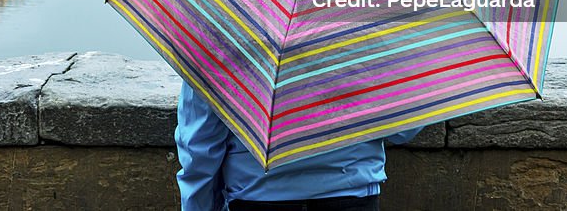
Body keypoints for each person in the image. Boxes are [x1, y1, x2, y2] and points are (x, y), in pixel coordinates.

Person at [176, 81, 423, 210]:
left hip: (256, 195)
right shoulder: (370, 17)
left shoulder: (224, 23)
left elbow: (200, 144)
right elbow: (404, 129)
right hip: (353, 194)